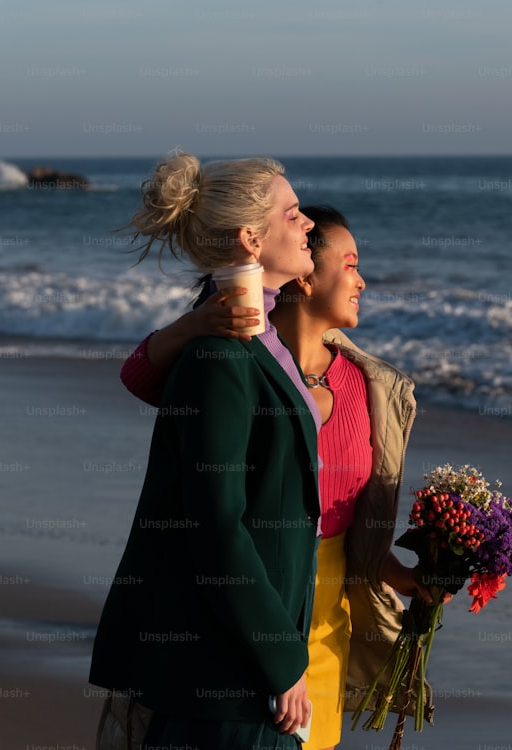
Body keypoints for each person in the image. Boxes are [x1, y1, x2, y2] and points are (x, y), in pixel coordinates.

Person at [117, 206, 437, 750]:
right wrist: (195, 323)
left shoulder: (371, 389)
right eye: (351, 263)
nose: (362, 280)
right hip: (245, 612)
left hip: (328, 627)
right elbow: (144, 378)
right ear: (306, 273)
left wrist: (411, 577)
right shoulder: (244, 363)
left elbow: (348, 528)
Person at [89, 152, 321, 750]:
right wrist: (280, 656)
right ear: (250, 238)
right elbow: (217, 527)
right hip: (229, 678)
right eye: (292, 214)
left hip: (249, 668)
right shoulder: (219, 354)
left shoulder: (261, 341)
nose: (308, 225)